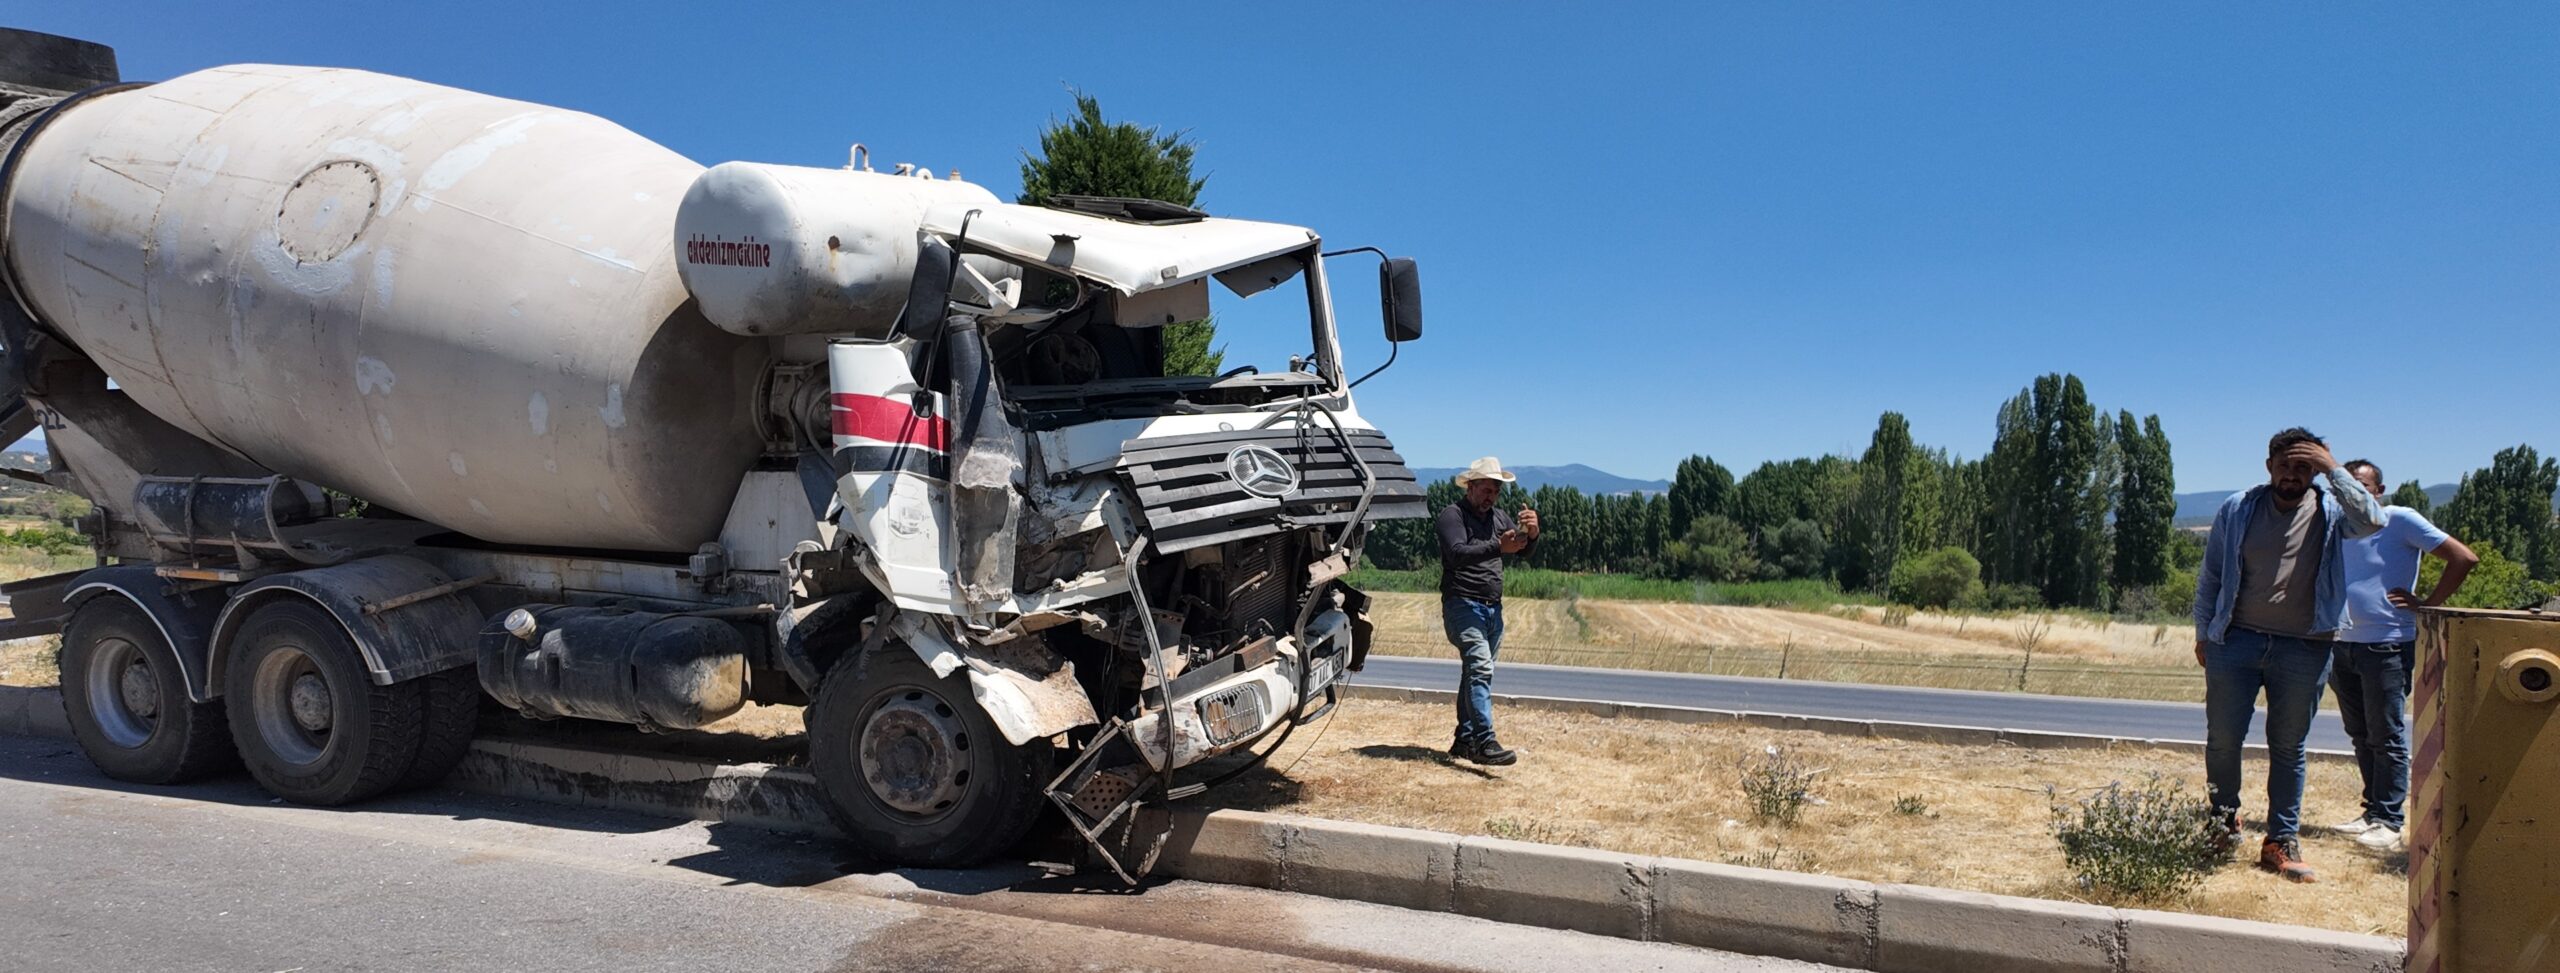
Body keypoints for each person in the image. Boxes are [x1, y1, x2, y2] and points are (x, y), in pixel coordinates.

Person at [2192, 427, 2387, 883]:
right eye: (2285, 465)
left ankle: (2280, 840)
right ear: (2269, 467)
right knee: (2222, 740)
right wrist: (2205, 633)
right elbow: (2212, 576)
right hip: (2235, 641)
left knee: (2289, 747)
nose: (2292, 475)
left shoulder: (2333, 509)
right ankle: (2223, 821)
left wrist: (2333, 468)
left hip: (2305, 645)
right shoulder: (2239, 508)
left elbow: (2374, 520)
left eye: (2303, 467)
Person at [2325, 459, 2475, 852]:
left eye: (2362, 487)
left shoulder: (2400, 519)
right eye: (2345, 488)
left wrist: (2427, 604)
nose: (2352, 495)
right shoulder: (2337, 526)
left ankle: (2389, 822)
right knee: (2361, 734)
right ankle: (2372, 812)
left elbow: (2464, 558)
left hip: (2387, 643)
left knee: (2386, 735)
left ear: (2378, 491)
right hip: (2341, 643)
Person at [1438, 457, 1538, 766]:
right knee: (1481, 669)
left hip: (1492, 608)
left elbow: (1521, 551)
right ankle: (1485, 742)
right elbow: (1456, 554)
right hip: (1462, 604)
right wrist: (1498, 547)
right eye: (1485, 489)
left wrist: (1531, 535)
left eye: (1495, 491)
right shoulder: (1451, 516)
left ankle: (1464, 741)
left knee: (1474, 673)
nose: (1490, 496)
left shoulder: (1499, 517)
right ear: (1470, 487)